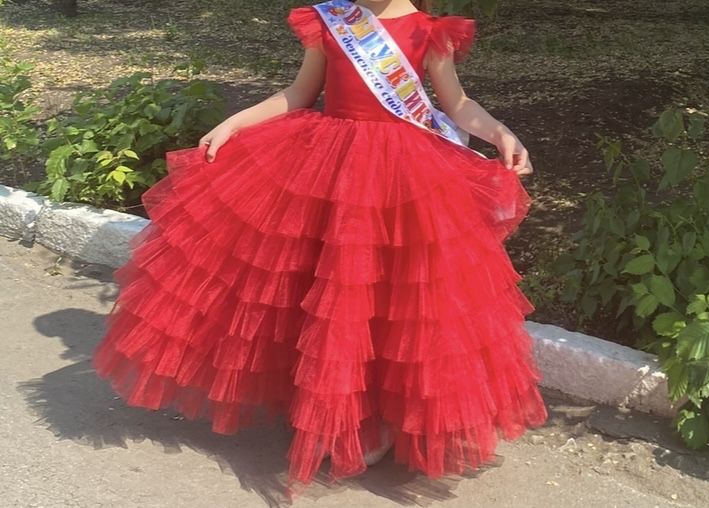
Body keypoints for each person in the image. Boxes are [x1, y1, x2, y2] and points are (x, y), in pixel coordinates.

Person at [92, 0, 548, 497]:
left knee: (393, 297)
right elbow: (298, 93)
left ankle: (377, 415)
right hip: (328, 167)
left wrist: (500, 133)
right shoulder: (332, 22)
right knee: (321, 293)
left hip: (403, 176)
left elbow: (456, 105)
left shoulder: (430, 32)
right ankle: (328, 403)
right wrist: (235, 122)